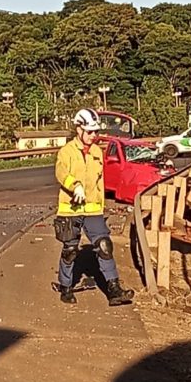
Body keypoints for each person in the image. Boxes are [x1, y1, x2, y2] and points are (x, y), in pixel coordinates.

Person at [53, 108, 135, 306]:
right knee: (70, 250)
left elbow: (99, 182)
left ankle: (114, 289)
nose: (93, 136)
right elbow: (61, 173)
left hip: (93, 210)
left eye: (95, 132)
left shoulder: (98, 152)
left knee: (105, 246)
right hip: (71, 208)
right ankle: (66, 287)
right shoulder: (67, 152)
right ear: (78, 129)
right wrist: (75, 186)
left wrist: (102, 204)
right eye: (90, 132)